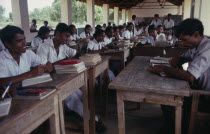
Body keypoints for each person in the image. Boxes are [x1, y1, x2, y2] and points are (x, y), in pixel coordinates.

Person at [36, 23, 106, 133]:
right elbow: (46, 68)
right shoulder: (44, 47)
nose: (68, 39)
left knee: (80, 93)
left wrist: (85, 57)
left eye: (69, 36)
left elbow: (76, 53)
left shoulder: (63, 46)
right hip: (50, 83)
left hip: (63, 79)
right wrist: (63, 61)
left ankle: (83, 114)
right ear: (58, 34)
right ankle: (92, 120)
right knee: (73, 97)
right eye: (66, 36)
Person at [151, 18, 210, 134]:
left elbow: (190, 76)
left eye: (184, 40)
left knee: (168, 96)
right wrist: (178, 58)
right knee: (167, 93)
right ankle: (173, 123)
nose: (181, 43)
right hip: (200, 90)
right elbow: (185, 55)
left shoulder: (207, 49)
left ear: (196, 34)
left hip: (206, 97)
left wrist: (164, 69)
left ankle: (175, 128)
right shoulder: (198, 45)